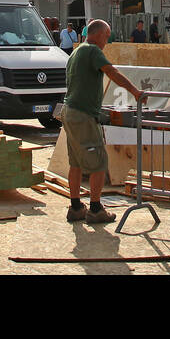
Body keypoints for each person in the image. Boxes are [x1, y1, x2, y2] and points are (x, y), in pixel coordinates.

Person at [62, 19, 141, 224]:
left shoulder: (76, 52)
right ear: (97, 34)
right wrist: (135, 92)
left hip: (69, 111)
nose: (107, 40)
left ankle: (76, 206)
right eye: (106, 36)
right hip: (82, 114)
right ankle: (96, 209)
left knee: (76, 162)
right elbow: (112, 72)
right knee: (99, 162)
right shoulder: (92, 51)